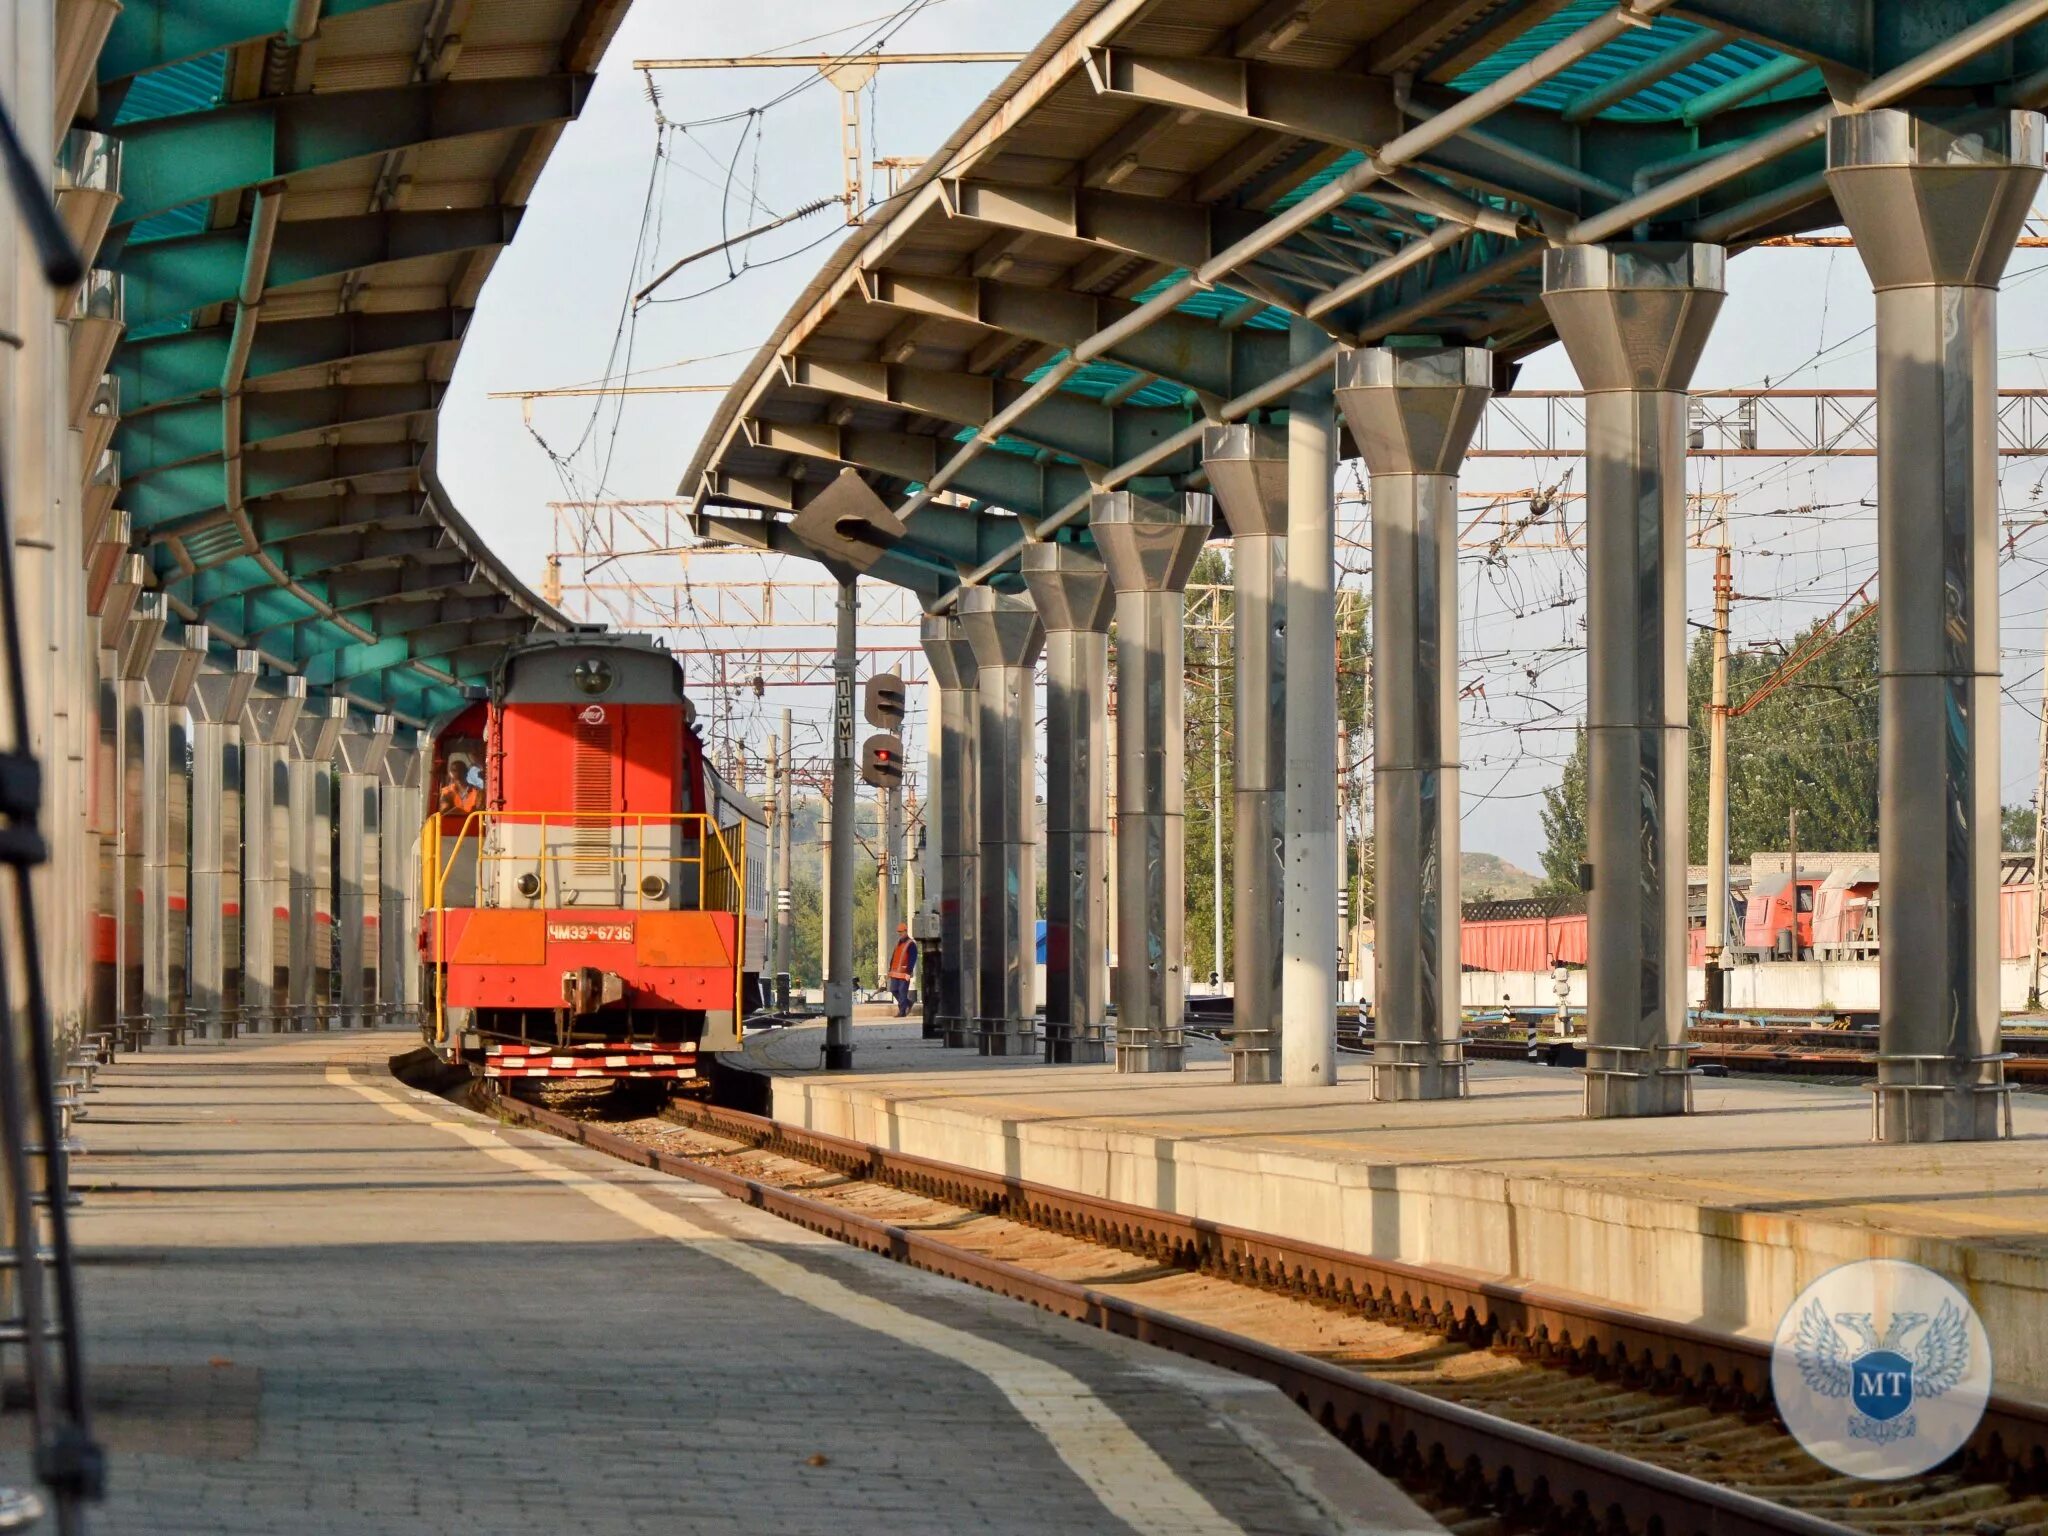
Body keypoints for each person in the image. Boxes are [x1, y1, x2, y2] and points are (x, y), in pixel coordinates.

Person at [887, 923, 918, 1017]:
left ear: (905, 931)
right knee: (893, 990)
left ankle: (902, 1011)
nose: (899, 934)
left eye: (901, 932)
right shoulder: (898, 944)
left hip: (904, 973)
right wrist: (890, 970)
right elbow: (894, 957)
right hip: (895, 973)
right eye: (898, 932)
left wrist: (909, 972)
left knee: (902, 991)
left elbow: (913, 958)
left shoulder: (911, 944)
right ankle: (908, 1003)